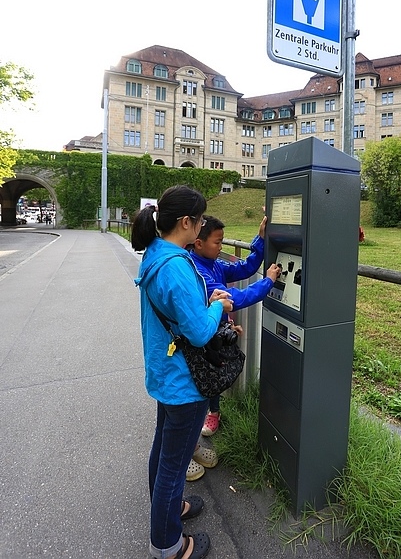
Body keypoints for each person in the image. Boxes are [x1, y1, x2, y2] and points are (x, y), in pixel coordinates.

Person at [131, 185, 233, 559]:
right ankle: (169, 546)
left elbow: (179, 312)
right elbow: (201, 331)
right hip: (185, 382)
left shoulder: (156, 252)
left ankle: (170, 511)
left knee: (163, 450)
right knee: (173, 466)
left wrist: (201, 304)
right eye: (201, 219)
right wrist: (218, 306)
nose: (203, 225)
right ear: (187, 222)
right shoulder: (176, 266)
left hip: (163, 371)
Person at [188, 215, 280, 453]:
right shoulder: (197, 271)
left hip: (216, 331)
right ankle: (191, 442)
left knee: (214, 372)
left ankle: (213, 412)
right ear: (199, 243)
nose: (221, 248)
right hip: (202, 335)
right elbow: (235, 299)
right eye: (217, 242)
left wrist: (260, 239)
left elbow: (246, 267)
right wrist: (268, 282)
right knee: (203, 380)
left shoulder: (214, 264)